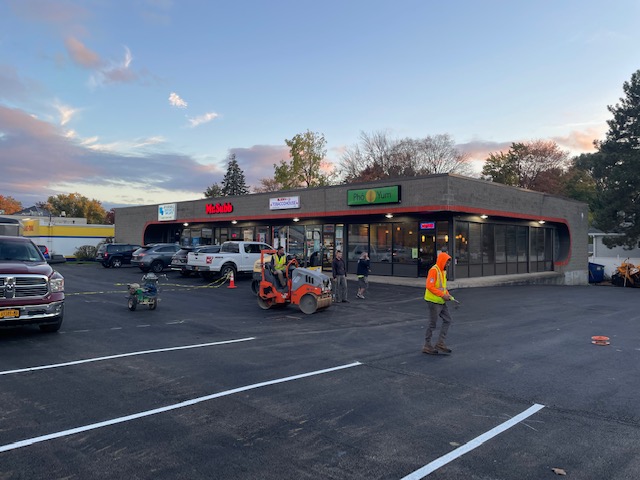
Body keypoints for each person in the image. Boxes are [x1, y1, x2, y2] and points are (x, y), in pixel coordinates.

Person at [422, 251, 454, 355]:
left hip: (441, 300)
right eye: (447, 263)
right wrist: (443, 295)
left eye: (448, 263)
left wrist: (447, 295)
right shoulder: (434, 270)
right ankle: (427, 345)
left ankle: (440, 343)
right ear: (442, 261)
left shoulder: (442, 271)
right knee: (432, 324)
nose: (448, 265)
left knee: (448, 320)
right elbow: (429, 286)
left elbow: (442, 287)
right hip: (433, 301)